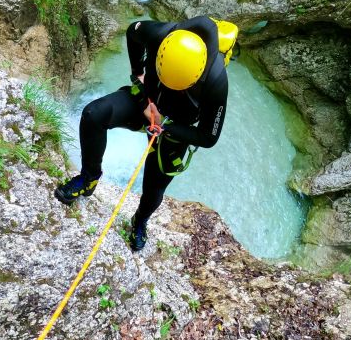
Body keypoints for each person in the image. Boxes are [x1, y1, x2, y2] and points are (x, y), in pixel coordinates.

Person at [54, 16, 236, 251]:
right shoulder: (161, 34)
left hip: (174, 126)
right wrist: (138, 76)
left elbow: (208, 137)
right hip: (146, 100)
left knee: (155, 187)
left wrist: (165, 128)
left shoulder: (216, 81)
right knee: (94, 115)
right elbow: (132, 32)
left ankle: (140, 220)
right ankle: (88, 179)